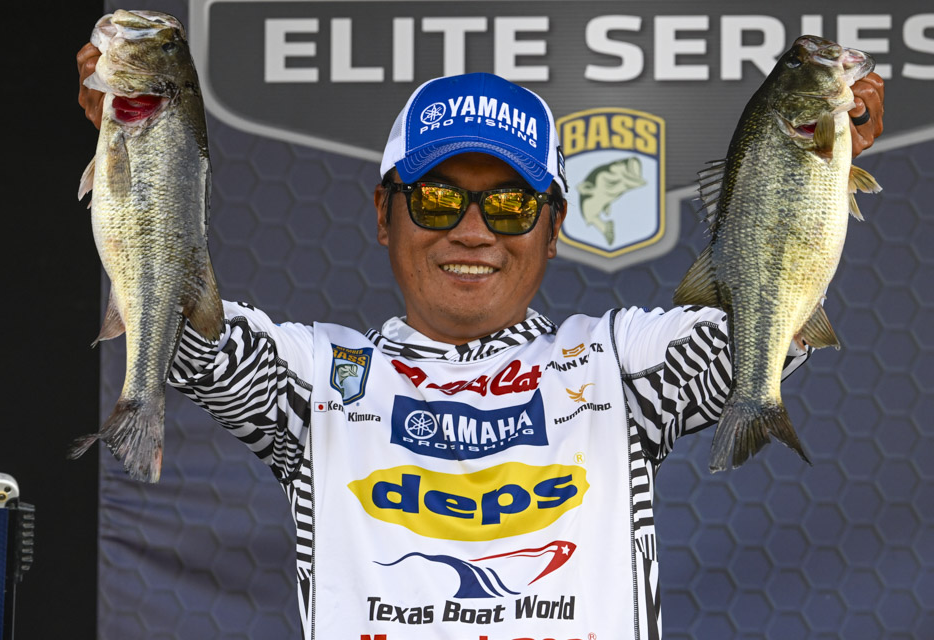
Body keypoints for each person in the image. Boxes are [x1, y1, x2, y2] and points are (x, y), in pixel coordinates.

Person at [77, 42, 884, 640]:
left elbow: (759, 335)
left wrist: (814, 164)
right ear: (384, 214)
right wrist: (141, 148)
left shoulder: (619, 370)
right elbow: (182, 331)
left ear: (553, 228)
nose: (472, 232)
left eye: (508, 205)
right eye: (436, 199)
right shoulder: (317, 381)